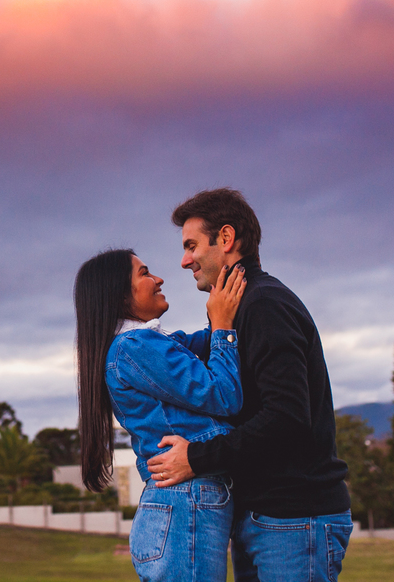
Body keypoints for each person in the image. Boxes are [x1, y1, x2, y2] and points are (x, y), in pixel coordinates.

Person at [147, 188, 352, 582]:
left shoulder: (264, 305)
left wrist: (196, 458)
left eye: (192, 246)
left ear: (225, 239)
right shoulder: (236, 310)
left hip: (293, 519)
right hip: (264, 518)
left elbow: (287, 419)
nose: (184, 260)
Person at [75, 248, 247, 582]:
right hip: (184, 503)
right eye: (144, 273)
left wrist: (221, 310)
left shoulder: (147, 344)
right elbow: (224, 396)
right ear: (120, 295)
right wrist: (224, 325)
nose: (158, 279)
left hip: (181, 505)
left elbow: (199, 343)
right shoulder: (135, 347)